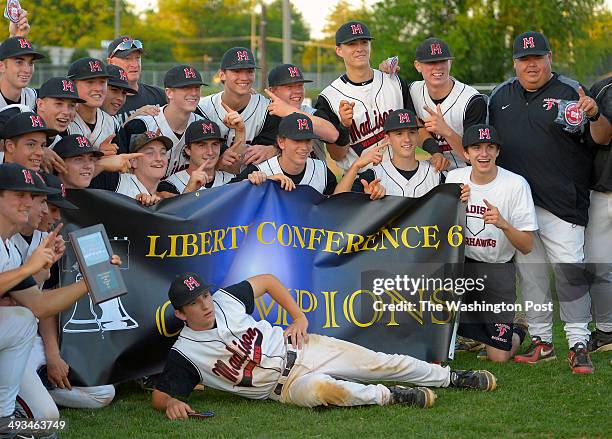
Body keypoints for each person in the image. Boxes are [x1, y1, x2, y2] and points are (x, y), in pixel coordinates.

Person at [151, 272, 497, 418]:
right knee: (323, 390)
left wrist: (298, 318)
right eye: (195, 302)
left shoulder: (226, 299)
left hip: (302, 349)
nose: (206, 303)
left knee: (382, 362)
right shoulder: (186, 352)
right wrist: (171, 404)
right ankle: (392, 396)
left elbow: (269, 281)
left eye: (205, 294)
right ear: (181, 313)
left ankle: (452, 378)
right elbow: (160, 394)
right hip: (283, 388)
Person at [488, 31, 612, 373]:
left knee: (570, 273)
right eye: (524, 59)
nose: (531, 64)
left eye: (537, 57)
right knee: (531, 277)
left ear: (550, 58)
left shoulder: (571, 92)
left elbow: (602, 137)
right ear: (515, 63)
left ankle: (577, 342)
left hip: (562, 201)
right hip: (519, 207)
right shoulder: (499, 96)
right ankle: (543, 341)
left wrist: (595, 114)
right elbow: (486, 148)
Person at [445, 124, 538, 362]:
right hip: (461, 267)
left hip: (497, 268)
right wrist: (453, 203)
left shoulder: (515, 184)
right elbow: (439, 226)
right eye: (476, 147)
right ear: (465, 153)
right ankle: (472, 335)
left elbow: (527, 245)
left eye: (490, 147)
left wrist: (504, 224)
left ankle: (518, 327)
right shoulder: (455, 178)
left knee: (499, 356)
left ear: (498, 152)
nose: (483, 154)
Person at [315, 21, 447, 173]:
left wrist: (435, 152)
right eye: (352, 44)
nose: (359, 48)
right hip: (360, 181)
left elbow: (415, 126)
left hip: (401, 175)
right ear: (339, 50)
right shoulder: (328, 98)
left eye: (364, 42)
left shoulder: (394, 81)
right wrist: (344, 126)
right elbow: (337, 155)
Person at [381, 38, 487, 170]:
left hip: (468, 175)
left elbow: (478, 158)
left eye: (443, 61)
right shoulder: (414, 90)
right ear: (418, 66)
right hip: (435, 172)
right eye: (431, 62)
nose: (438, 66)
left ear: (450, 63)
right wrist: (385, 75)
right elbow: (417, 125)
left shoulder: (471, 100)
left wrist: (446, 131)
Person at [335, 109, 452, 199]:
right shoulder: (374, 176)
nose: (407, 139)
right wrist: (356, 166)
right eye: (399, 133)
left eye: (411, 132)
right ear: (388, 139)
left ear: (417, 136)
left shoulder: (435, 174)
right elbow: (337, 202)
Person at [196, 47, 278, 172]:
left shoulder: (267, 109)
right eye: (237, 71)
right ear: (222, 75)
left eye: (249, 71)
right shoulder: (203, 109)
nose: (244, 77)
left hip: (252, 181)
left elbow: (286, 146)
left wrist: (274, 149)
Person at [118, 65, 205, 176]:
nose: (194, 93)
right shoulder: (142, 125)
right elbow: (124, 170)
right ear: (169, 93)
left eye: (197, 87)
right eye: (186, 87)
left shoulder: (202, 125)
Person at [231, 113, 337, 195]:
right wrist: (255, 182)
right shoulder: (262, 170)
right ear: (281, 142)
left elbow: (336, 207)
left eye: (308, 140)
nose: (304, 147)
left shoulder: (321, 170)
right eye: (297, 140)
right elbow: (226, 195)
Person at [264, 63, 341, 160]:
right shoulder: (263, 115)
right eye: (290, 87)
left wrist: (289, 111)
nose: (297, 91)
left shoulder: (313, 114)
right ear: (272, 91)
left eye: (300, 85)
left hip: (314, 173)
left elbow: (333, 135)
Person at [585, 75, 612, 354]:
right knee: (597, 267)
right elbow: (589, 140)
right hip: (601, 189)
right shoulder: (602, 88)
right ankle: (606, 332)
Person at [91, 131, 171, 206]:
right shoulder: (115, 181)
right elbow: (80, 185)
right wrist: (100, 164)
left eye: (163, 153)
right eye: (150, 153)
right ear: (133, 161)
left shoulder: (167, 197)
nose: (159, 158)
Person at [158, 120, 236, 196]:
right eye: (202, 145)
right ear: (188, 150)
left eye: (215, 144)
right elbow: (173, 209)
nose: (210, 152)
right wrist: (189, 190)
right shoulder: (170, 185)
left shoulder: (232, 181)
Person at [106, 36, 167, 126]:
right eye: (127, 58)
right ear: (111, 62)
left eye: (137, 58)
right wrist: (134, 118)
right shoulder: (103, 101)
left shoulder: (159, 95)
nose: (135, 64)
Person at [67, 57, 119, 155]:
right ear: (72, 85)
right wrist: (99, 155)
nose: (98, 88)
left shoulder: (111, 123)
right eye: (90, 82)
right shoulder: (63, 121)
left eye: (102, 82)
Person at [35, 76, 85, 173]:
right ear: (41, 105)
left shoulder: (60, 142)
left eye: (71, 106)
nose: (66, 112)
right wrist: (37, 150)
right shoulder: (19, 112)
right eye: (59, 104)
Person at [0, 36, 44, 110]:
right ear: (1, 66)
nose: (27, 70)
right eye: (19, 62)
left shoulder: (34, 97)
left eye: (31, 63)